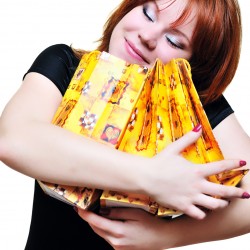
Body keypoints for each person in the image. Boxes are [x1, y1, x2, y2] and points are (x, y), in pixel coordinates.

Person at [0, 0, 249, 249]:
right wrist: (151, 177)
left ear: (194, 67)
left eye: (174, 41)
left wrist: (168, 234)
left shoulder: (189, 106)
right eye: (148, 13)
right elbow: (14, 139)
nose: (147, 36)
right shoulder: (66, 64)